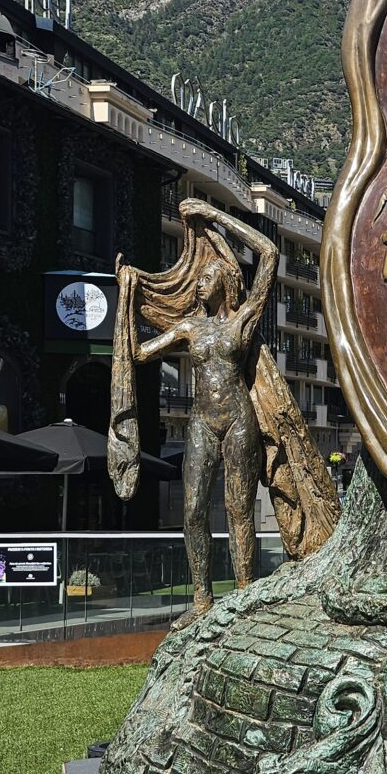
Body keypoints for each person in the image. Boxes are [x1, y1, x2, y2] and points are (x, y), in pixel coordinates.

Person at [130, 204, 275, 614]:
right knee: (193, 510)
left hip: (238, 420)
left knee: (239, 509)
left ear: (226, 283)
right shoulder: (190, 327)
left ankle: (245, 593)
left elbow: (269, 253)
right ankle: (202, 598)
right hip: (201, 423)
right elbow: (141, 354)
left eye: (207, 277)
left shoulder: (243, 320)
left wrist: (214, 215)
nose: (199, 283)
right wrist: (126, 296)